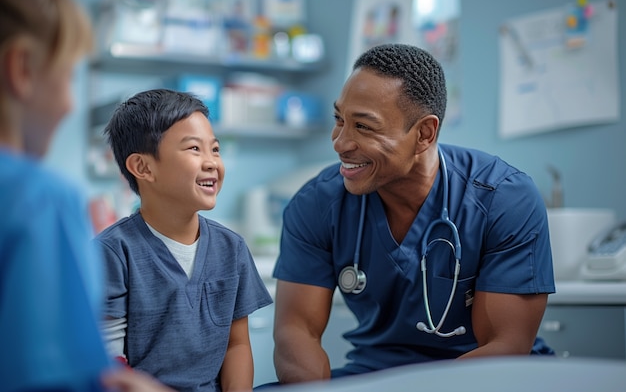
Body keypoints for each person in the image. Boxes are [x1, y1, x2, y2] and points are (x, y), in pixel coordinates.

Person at [270, 43, 556, 384]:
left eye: (363, 126)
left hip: (488, 381)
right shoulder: (317, 203)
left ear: (424, 133)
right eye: (339, 119)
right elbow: (295, 331)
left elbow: (505, 345)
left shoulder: (504, 198)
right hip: (374, 376)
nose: (340, 142)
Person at [0, 0, 176, 391]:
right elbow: (60, 379)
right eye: (67, 76)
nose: (70, 103)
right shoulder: (37, 199)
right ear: (22, 70)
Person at [96, 88, 273, 392]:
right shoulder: (113, 253)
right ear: (143, 167)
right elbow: (111, 367)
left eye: (215, 150)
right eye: (194, 149)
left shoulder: (232, 249)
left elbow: (237, 346)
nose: (211, 162)